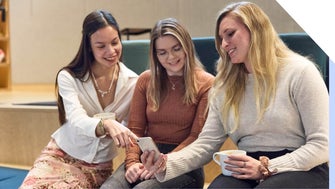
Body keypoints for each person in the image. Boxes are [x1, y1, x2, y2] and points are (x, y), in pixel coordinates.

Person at [141, 2, 329, 188]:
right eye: (221, 38)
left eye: (230, 34)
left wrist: (267, 167)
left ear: (255, 29)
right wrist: (166, 162)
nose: (224, 44)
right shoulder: (224, 85)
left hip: (304, 167)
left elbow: (323, 145)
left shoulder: (301, 72)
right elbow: (206, 144)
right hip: (246, 166)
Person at [20, 10, 138, 188]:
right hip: (60, 154)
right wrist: (105, 124)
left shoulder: (133, 82)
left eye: (115, 42)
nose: (111, 51)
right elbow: (76, 119)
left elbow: (133, 127)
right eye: (101, 46)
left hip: (98, 166)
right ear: (89, 46)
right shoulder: (68, 77)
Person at [100, 18, 214, 189]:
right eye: (162, 52)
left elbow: (195, 137)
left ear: (187, 48)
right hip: (145, 155)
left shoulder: (206, 83)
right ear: (155, 55)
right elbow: (135, 130)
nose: (171, 57)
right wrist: (131, 163)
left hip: (184, 163)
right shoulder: (145, 80)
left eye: (176, 48)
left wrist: (163, 164)